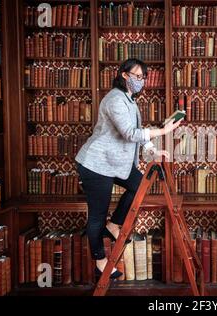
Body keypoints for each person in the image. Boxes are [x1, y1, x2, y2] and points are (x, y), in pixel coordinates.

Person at [75, 58, 181, 279]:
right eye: (137, 76)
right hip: (96, 165)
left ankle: (114, 225)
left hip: (115, 163)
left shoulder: (129, 100)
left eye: (143, 77)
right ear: (124, 74)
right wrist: (163, 131)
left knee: (139, 185)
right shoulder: (114, 99)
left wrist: (153, 150)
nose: (140, 81)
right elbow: (130, 134)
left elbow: (138, 130)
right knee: (97, 216)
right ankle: (100, 261)